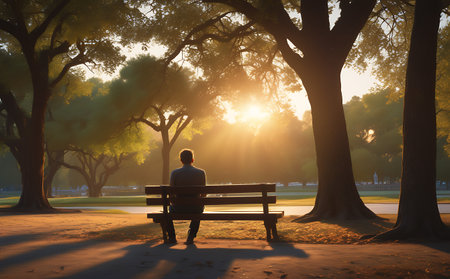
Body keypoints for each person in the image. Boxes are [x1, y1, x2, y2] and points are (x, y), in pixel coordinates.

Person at [165, 149, 206, 244]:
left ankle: (172, 237)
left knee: (167, 212)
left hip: (178, 208)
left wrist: (175, 203)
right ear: (192, 160)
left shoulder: (175, 173)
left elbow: (171, 193)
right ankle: (191, 236)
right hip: (195, 208)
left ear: (181, 160)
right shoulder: (201, 173)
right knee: (199, 209)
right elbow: (204, 194)